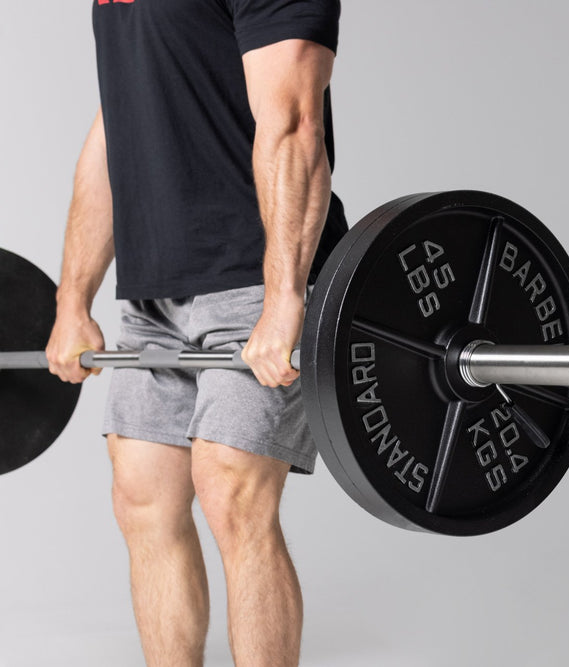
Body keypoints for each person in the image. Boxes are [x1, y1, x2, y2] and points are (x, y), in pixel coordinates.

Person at [44, 1, 345, 665]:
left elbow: (294, 120)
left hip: (256, 275)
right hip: (157, 289)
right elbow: (115, 128)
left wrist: (286, 295)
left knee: (231, 488)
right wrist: (73, 298)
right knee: (141, 495)